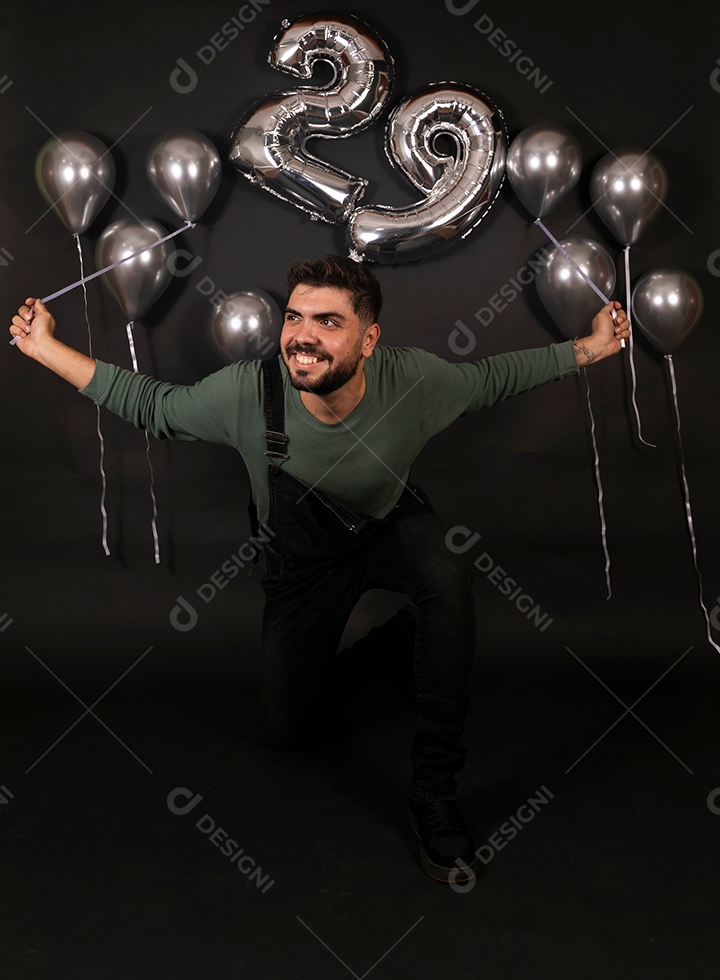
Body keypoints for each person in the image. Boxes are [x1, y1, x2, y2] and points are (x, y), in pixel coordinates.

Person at [10, 254, 630, 885]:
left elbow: (495, 376)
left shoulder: (415, 380)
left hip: (388, 529)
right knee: (288, 729)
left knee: (448, 570)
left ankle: (434, 790)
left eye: (327, 322)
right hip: (303, 565)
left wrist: (592, 348)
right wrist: (44, 349)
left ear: (369, 340)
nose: (302, 336)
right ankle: (403, 644)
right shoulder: (249, 392)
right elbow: (154, 407)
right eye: (294, 317)